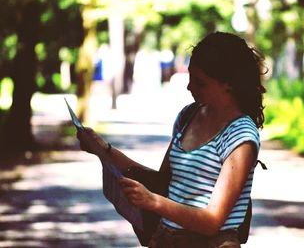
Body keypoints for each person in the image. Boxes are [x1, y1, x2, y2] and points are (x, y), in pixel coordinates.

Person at [77, 31, 267, 248]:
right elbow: (161, 180)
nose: (190, 87)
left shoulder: (240, 136)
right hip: (166, 239)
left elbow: (212, 222)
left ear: (228, 84)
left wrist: (153, 201)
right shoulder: (189, 115)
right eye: (190, 77)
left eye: (200, 82)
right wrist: (103, 149)